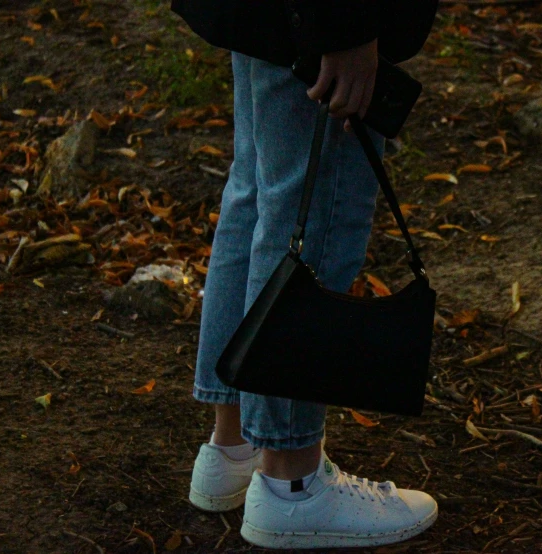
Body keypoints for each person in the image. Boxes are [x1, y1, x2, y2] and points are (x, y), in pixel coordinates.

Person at [170, 0, 440, 549]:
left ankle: (234, 447)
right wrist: (345, 26)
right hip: (313, 16)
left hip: (273, 12)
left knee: (259, 191)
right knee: (312, 208)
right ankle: (290, 480)